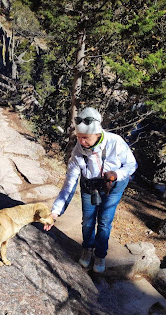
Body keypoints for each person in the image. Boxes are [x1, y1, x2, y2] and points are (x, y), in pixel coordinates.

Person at [44, 107, 137, 273]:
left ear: (97, 133)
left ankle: (100, 255)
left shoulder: (115, 142)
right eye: (79, 137)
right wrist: (55, 212)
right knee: (88, 221)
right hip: (90, 186)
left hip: (113, 185)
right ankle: (87, 249)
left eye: (85, 137)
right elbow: (69, 185)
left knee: (104, 222)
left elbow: (131, 165)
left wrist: (116, 175)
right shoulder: (78, 153)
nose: (81, 142)